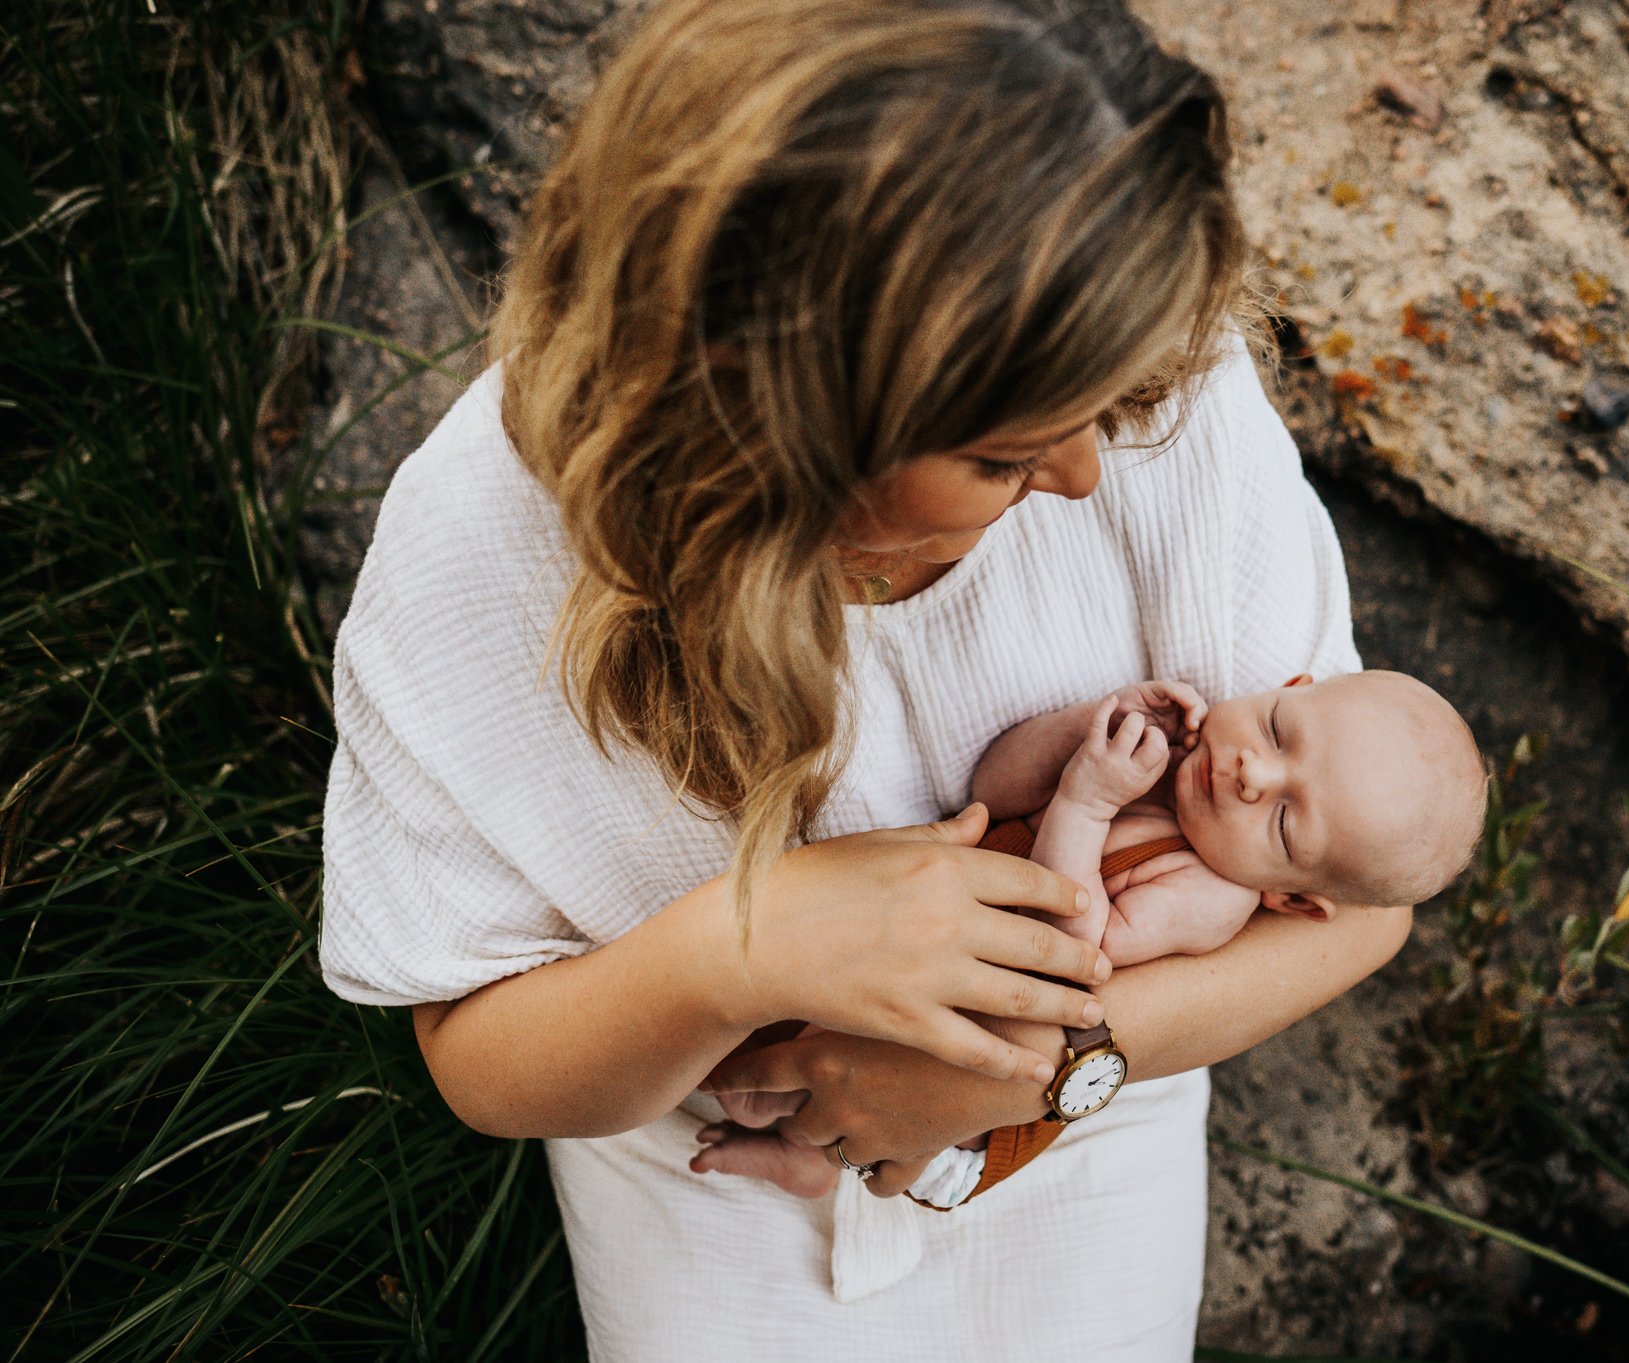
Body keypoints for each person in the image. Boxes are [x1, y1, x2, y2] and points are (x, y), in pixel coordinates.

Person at [317, 0, 1415, 1357]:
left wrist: (1037, 1073)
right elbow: (478, 1053)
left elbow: (1361, 909)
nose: (1083, 469)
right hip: (711, 1180)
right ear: (782, 417)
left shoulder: (1133, 386)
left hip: (1091, 1130)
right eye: (1006, 457)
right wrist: (747, 943)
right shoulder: (482, 549)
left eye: (1099, 413)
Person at [695, 670, 1485, 1206]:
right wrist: (1091, 727)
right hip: (939, 952)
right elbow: (997, 787)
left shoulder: (1210, 895)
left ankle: (807, 1156)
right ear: (1290, 686)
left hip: (985, 1064)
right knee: (799, 1012)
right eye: (1279, 730)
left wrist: (1087, 797)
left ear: (1291, 896)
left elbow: (1072, 951)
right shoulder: (1174, 752)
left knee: (821, 1071)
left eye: (1282, 819)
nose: (1253, 772)